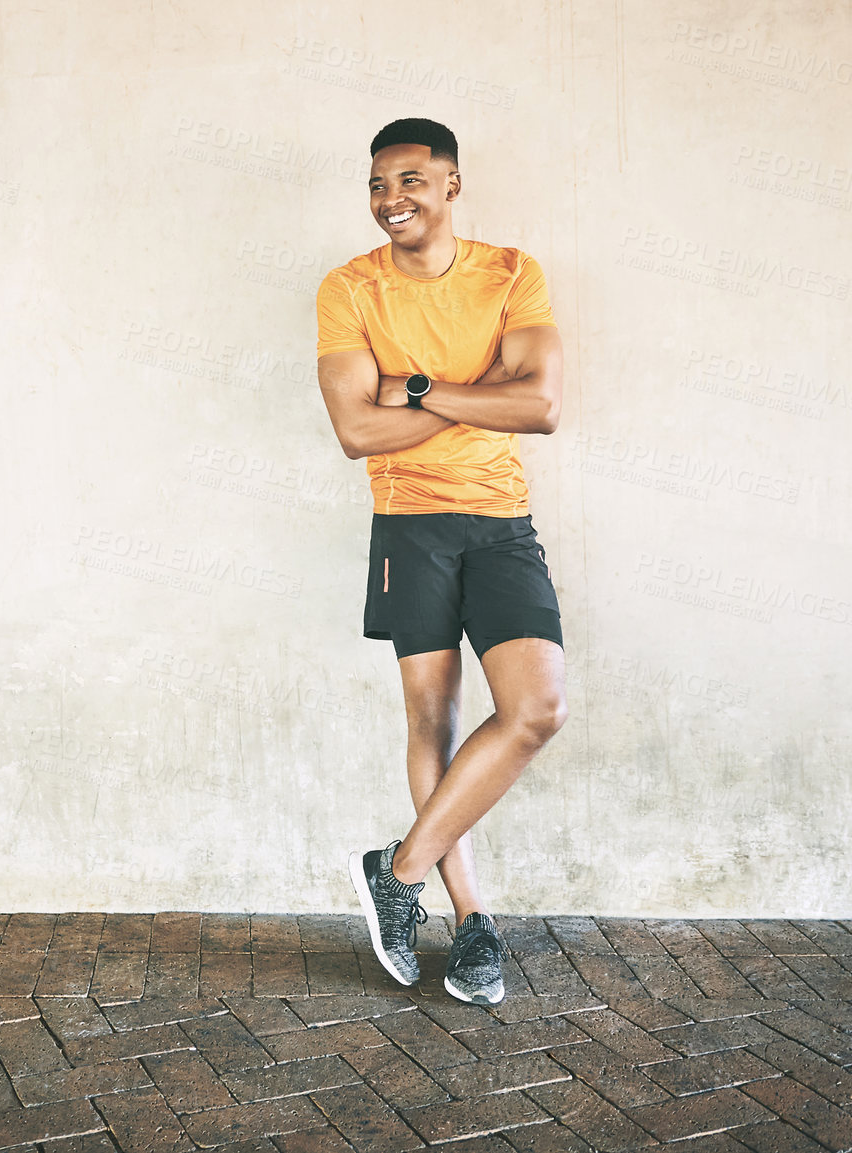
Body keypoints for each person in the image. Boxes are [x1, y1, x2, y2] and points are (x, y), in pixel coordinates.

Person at [314, 118, 568, 1003]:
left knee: (536, 708)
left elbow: (539, 407)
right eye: (379, 186)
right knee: (434, 724)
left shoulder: (510, 273)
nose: (393, 200)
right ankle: (469, 921)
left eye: (411, 182)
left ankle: (398, 869)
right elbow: (356, 430)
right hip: (409, 524)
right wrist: (477, 396)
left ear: (451, 184)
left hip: (501, 523)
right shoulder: (349, 288)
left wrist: (414, 387)